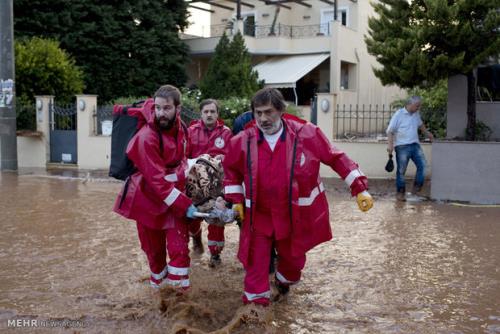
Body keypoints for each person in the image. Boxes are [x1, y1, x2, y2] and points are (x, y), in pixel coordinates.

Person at [222, 87, 374, 306]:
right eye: (258, 113)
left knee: (292, 265)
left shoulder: (307, 134)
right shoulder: (243, 141)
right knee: (255, 268)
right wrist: (236, 201)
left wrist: (360, 188)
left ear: (281, 111)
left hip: (293, 216)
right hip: (259, 217)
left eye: (268, 112)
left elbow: (335, 157)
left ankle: (283, 284)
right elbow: (231, 170)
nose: (263, 119)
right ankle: (255, 315)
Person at [113, 85, 199, 289]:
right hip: (146, 202)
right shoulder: (146, 138)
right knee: (155, 256)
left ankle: (180, 305)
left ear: (178, 109)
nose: (161, 113)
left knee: (180, 252)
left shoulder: (183, 129)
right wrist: (185, 205)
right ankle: (159, 299)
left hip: (173, 200)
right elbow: (157, 182)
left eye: (166, 108)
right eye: (158, 108)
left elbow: (182, 161)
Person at [186, 99, 233, 267]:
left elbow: (234, 157)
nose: (209, 114)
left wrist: (225, 158)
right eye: (206, 111)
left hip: (218, 185)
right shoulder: (190, 132)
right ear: (201, 114)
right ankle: (196, 239)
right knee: (192, 216)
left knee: (217, 219)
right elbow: (184, 157)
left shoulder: (226, 133)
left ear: (217, 114)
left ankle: (215, 256)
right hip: (195, 184)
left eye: (212, 111)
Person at [386, 96, 434, 201]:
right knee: (401, 171)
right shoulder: (399, 114)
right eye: (417, 106)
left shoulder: (416, 114)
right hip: (402, 146)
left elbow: (421, 126)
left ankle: (415, 191)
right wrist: (390, 145)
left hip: (415, 145)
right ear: (410, 104)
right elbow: (390, 131)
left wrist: (428, 134)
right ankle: (400, 193)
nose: (418, 108)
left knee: (423, 166)